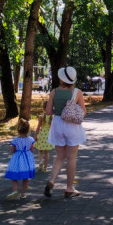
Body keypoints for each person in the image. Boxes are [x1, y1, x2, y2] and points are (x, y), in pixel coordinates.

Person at [44, 66, 86, 199]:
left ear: (61, 79)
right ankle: (69, 188)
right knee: (71, 158)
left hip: (57, 124)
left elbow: (48, 112)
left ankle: (52, 181)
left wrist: (59, 110)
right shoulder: (77, 92)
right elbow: (83, 111)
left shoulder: (54, 92)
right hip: (71, 125)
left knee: (59, 157)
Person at [4, 119, 36, 200]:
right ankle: (23, 194)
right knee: (26, 177)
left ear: (18, 129)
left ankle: (15, 191)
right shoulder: (31, 139)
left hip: (17, 159)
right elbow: (32, 149)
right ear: (28, 130)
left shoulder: (15, 140)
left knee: (14, 175)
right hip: (27, 159)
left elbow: (13, 150)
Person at [33, 100, 54, 173]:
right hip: (48, 136)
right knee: (47, 152)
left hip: (41, 135)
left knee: (40, 151)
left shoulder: (41, 117)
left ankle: (40, 162)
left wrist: (35, 136)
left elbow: (38, 128)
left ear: (43, 108)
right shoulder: (52, 117)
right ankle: (45, 167)